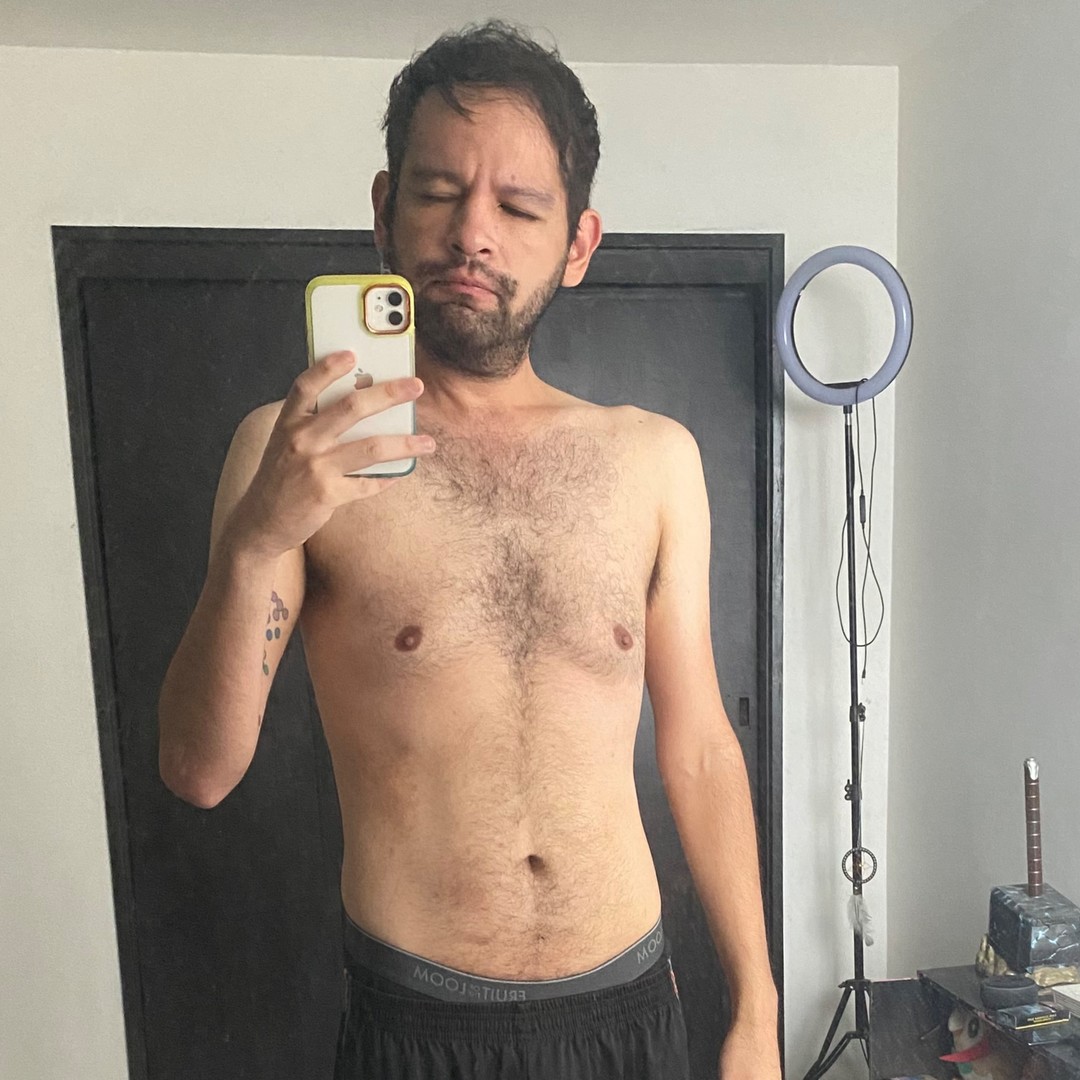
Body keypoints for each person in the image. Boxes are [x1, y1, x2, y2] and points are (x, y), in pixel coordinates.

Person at [158, 20, 780, 1080]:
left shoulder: (654, 460)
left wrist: (756, 1009)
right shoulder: (288, 454)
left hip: (631, 1009)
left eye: (519, 207)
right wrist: (259, 537)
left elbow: (701, 749)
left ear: (578, 245)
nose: (472, 234)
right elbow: (198, 770)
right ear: (383, 212)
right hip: (421, 1027)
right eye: (439, 192)